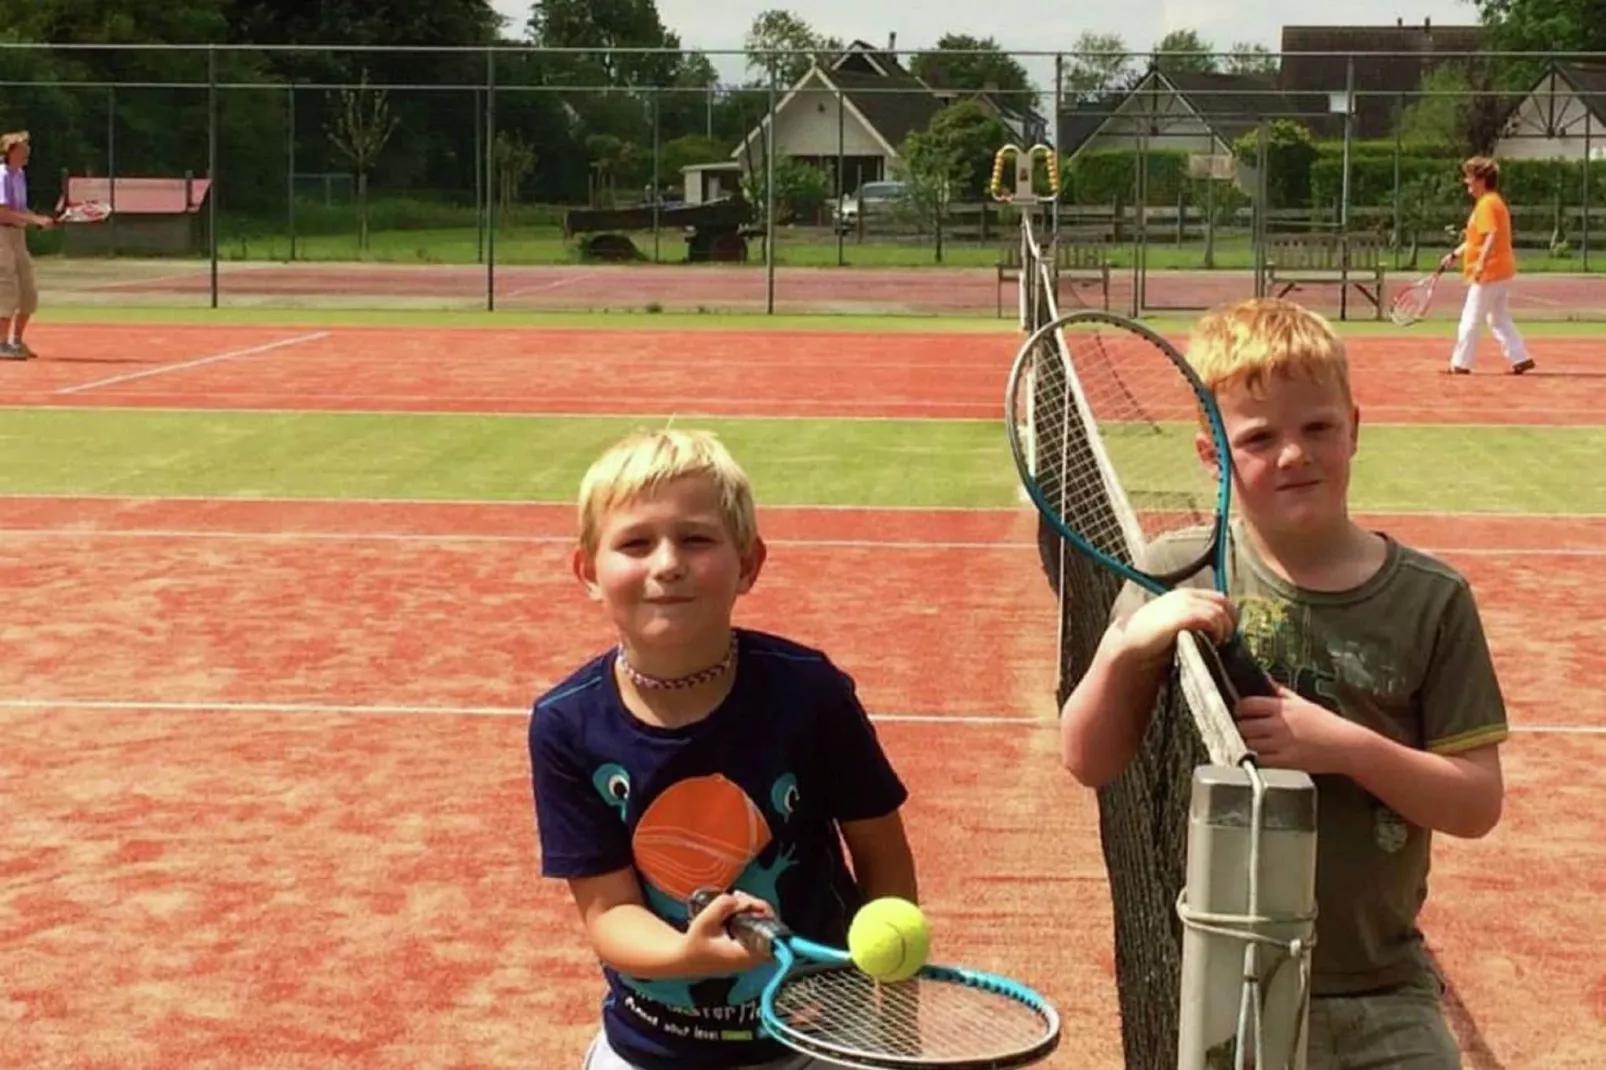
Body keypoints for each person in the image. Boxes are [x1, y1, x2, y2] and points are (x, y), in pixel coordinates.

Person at [1059, 297, 1508, 1068]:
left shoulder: (1432, 599)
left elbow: (1476, 803)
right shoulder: (1177, 573)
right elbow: (1088, 759)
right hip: (1219, 980)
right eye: (1260, 438)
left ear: (1355, 429)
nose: (1295, 455)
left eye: (1318, 428)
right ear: (1212, 455)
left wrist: (1347, 748)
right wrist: (1129, 646)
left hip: (1381, 986)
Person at [528, 428, 918, 1070]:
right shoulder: (565, 725)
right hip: (650, 1048)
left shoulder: (809, 692)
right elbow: (610, 912)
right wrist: (694, 955)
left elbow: (882, 852)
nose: (667, 563)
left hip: (817, 1037)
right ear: (587, 571)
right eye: (634, 543)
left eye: (696, 538)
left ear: (749, 563)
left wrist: (897, 1013)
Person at [1440, 156, 1534, 376]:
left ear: (1481, 180)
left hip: (1491, 271)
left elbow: (1491, 234)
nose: (1467, 183)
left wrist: (1481, 263)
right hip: (1501, 269)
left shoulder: (1487, 204)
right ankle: (1520, 357)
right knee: (1498, 317)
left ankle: (1461, 363)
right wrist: (1455, 254)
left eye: (1470, 178)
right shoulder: (1491, 202)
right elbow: (1476, 239)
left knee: (1471, 317)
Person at [0, 130, 53, 360]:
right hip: (1, 236)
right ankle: (1, 344)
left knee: (27, 290)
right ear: (10, 151)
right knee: (7, 287)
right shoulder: (0, 176)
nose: (27, 152)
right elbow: (2, 213)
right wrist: (34, 220)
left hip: (18, 237)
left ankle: (17, 341)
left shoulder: (19, 174)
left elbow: (19, 211)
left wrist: (37, 219)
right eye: (22, 148)